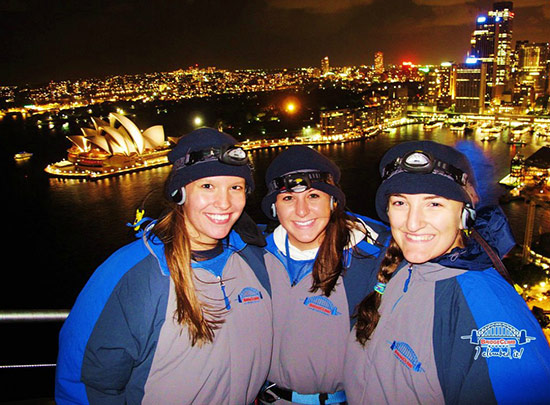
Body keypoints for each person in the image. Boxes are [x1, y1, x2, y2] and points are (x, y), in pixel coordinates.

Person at [55, 128, 273, 404]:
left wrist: (342, 227)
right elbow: (84, 380)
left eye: (236, 187)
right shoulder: (132, 271)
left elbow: (302, 244)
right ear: (179, 194)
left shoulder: (252, 257)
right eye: (207, 186)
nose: (224, 202)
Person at [344, 140, 550, 404]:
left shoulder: (489, 312)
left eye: (434, 204)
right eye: (400, 203)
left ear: (465, 214)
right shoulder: (402, 268)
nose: (412, 223)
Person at [257, 145, 391, 404]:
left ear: (333, 201)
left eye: (314, 196)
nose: (302, 210)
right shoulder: (256, 257)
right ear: (274, 208)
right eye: (288, 198)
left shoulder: (366, 263)